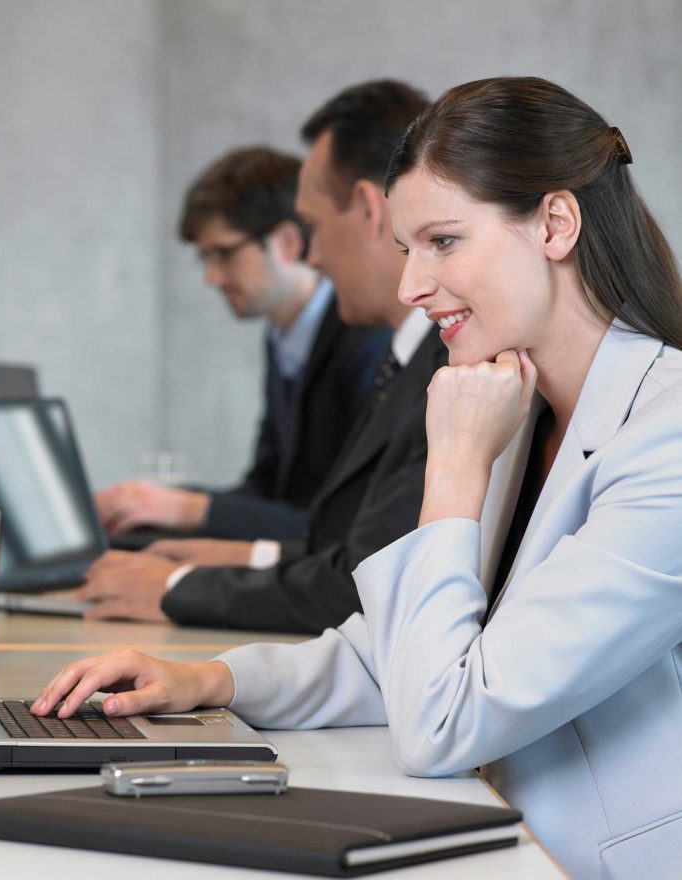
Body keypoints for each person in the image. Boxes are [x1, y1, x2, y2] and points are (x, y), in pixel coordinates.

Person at [33, 77, 682, 878]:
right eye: (408, 251)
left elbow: (447, 717)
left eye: (443, 242)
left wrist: (453, 468)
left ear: (555, 223)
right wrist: (206, 679)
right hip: (497, 836)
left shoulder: (665, 442)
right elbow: (394, 650)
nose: (411, 286)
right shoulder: (525, 405)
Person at [75, 80, 444, 631]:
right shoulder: (390, 352)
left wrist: (184, 578)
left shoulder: (420, 361)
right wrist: (224, 554)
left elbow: (360, 577)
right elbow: (334, 540)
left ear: (369, 211)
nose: (315, 255)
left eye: (314, 227)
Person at [97, 147, 389, 544]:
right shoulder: (282, 339)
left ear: (287, 242)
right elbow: (266, 489)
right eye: (205, 260)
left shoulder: (368, 342)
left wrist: (188, 509)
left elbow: (344, 528)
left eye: (223, 254)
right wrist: (156, 505)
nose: (212, 278)